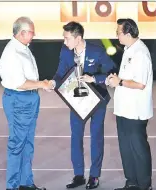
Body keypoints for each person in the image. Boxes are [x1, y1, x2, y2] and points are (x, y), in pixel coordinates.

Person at [48, 21, 117, 189]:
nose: (64, 42)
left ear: (78, 38)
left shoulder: (97, 50)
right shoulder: (65, 51)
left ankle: (94, 176)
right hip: (77, 101)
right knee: (76, 137)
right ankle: (78, 175)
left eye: (67, 38)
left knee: (96, 137)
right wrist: (53, 82)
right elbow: (60, 73)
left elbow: (111, 71)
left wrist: (95, 79)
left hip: (97, 100)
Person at [0, 16, 50, 190]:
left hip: (28, 98)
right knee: (17, 144)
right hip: (19, 99)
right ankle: (12, 186)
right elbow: (20, 83)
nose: (34, 35)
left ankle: (25, 182)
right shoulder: (12, 53)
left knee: (27, 143)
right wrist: (41, 84)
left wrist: (39, 85)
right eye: (32, 32)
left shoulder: (23, 47)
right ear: (22, 33)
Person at [106, 18, 153, 190]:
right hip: (124, 109)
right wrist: (115, 80)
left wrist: (119, 82)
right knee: (126, 148)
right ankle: (131, 182)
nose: (116, 35)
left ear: (127, 33)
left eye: (118, 32)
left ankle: (144, 185)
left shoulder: (141, 53)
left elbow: (140, 83)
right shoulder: (128, 50)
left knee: (138, 149)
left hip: (136, 110)